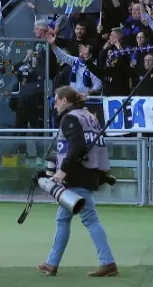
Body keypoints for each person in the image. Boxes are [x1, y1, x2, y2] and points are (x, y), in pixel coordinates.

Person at [39, 85, 118, 278]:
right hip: (88, 171)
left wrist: (62, 171)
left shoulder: (70, 118)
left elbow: (77, 146)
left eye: (56, 100)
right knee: (63, 219)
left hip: (76, 173)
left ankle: (107, 262)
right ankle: (52, 263)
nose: (55, 104)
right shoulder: (89, 116)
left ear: (64, 100)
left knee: (89, 219)